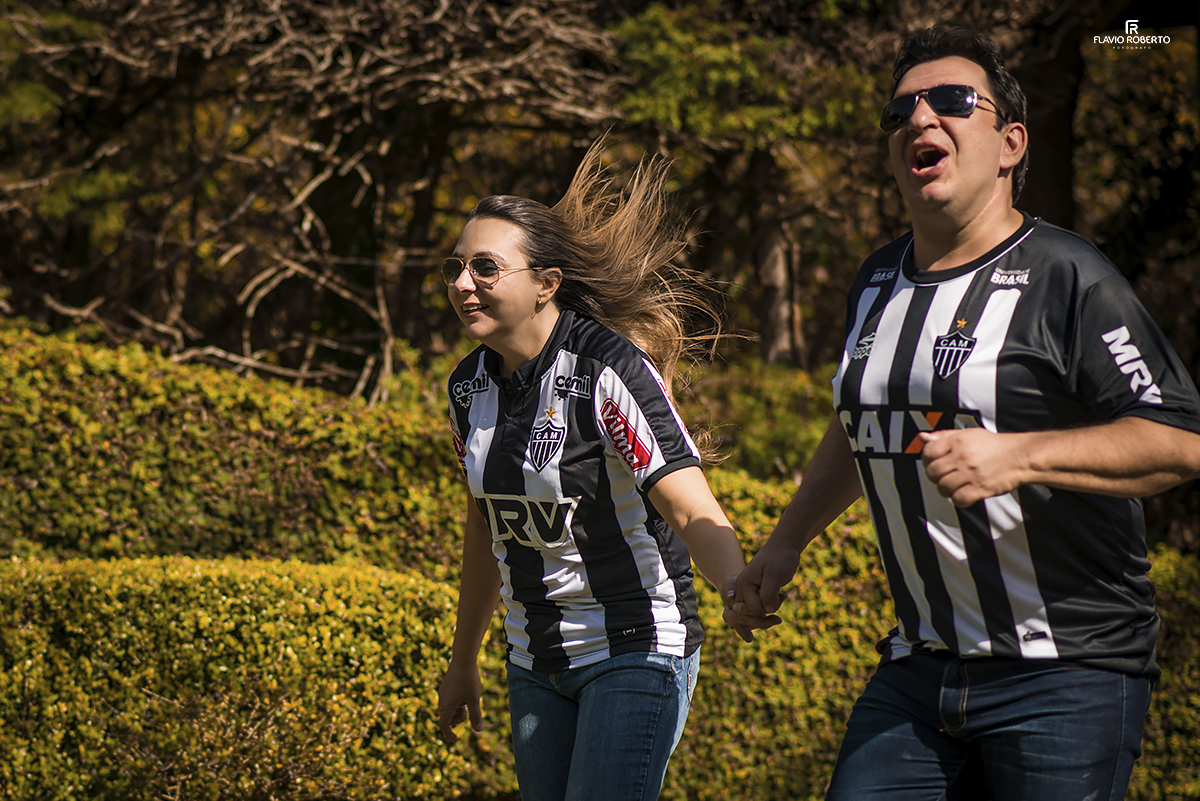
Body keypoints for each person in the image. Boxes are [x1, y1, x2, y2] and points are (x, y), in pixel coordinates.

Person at [726, 24, 1200, 801]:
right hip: (918, 667)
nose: (919, 119)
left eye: (949, 101)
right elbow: (863, 424)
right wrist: (784, 545)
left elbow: (1179, 440)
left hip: (1068, 671)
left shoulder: (1067, 275)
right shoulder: (876, 279)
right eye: (901, 109)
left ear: (1011, 143)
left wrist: (1018, 455)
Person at [436, 139, 754, 801]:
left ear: (546, 284)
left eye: (485, 267)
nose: (463, 283)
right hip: (534, 663)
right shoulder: (466, 389)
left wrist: (736, 581)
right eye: (457, 267)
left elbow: (685, 499)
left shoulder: (609, 369)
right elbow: (489, 530)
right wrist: (463, 661)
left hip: (638, 648)